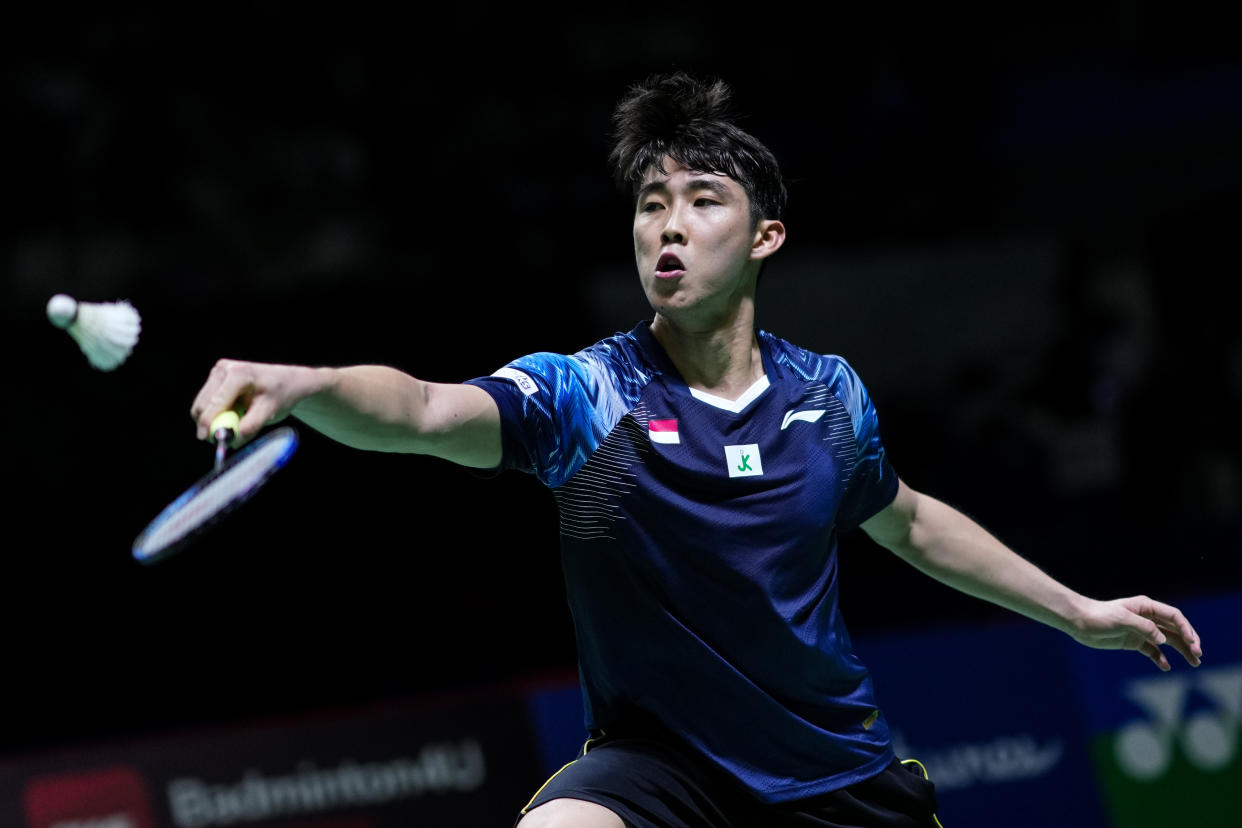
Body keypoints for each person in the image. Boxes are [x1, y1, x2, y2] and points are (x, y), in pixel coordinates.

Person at [190, 72, 1203, 828]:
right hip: (656, 770)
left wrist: (1080, 613)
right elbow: (419, 410)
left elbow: (910, 519)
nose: (668, 228)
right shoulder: (586, 394)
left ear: (765, 236)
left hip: (833, 775)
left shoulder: (828, 395)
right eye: (649, 205)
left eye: (702, 200)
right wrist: (307, 387)